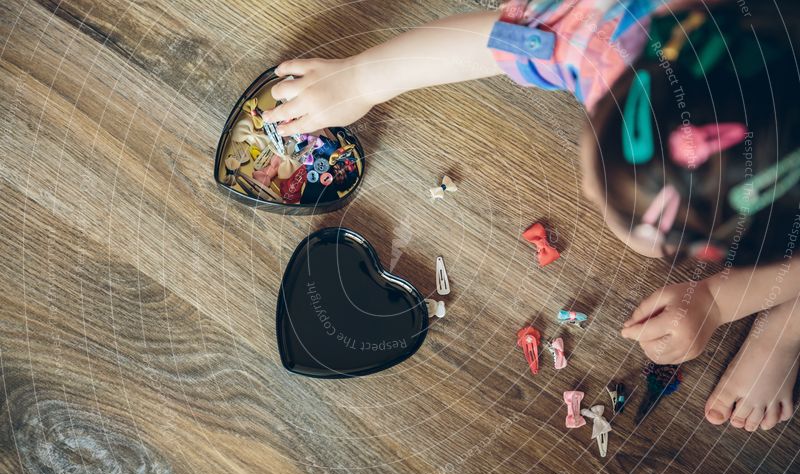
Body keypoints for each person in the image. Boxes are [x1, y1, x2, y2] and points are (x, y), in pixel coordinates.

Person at [262, 0, 800, 432]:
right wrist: (361, 78)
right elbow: (501, 38)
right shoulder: (600, 26)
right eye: (602, 183)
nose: (588, 191)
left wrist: (722, 299)